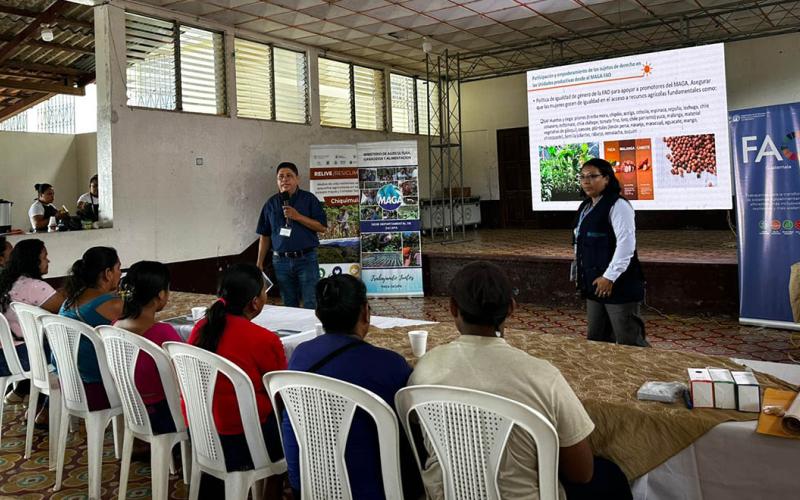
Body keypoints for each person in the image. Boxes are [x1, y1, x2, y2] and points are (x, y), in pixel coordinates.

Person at [409, 261, 631, 500]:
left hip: (444, 495)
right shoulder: (543, 377)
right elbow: (582, 473)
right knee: (611, 475)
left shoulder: (425, 367)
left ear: (452, 308)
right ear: (511, 309)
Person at [282, 274, 422, 499]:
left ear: (318, 314)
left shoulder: (301, 354)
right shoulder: (390, 364)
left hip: (308, 484)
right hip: (376, 489)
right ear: (366, 312)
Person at [187, 263, 286, 499]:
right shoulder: (263, 339)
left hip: (202, 432)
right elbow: (280, 392)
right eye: (264, 292)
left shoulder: (202, 327)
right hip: (243, 440)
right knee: (293, 422)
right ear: (255, 302)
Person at [573, 158, 648, 347]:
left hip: (618, 284)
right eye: (582, 177)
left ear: (606, 179)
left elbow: (626, 244)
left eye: (592, 176)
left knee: (628, 340)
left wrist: (610, 277)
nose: (586, 181)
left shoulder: (618, 205)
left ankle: (641, 374)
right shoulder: (586, 206)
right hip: (594, 283)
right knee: (597, 339)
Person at [114, 261, 182, 434]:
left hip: (130, 409)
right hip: (162, 416)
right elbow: (185, 373)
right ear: (161, 294)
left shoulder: (115, 326)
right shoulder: (162, 332)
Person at [0, 239, 65, 407]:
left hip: (5, 354)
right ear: (33, 261)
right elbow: (66, 309)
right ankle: (47, 411)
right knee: (70, 350)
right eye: (44, 257)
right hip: (21, 357)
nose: (48, 261)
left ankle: (24, 392)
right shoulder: (33, 286)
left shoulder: (6, 282)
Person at [256, 162, 327, 309]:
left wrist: (298, 216)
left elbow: (322, 227)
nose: (284, 179)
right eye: (280, 177)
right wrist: (259, 263)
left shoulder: (309, 199)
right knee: (289, 303)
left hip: (306, 260)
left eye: (289, 176)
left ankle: (311, 331)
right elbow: (265, 235)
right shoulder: (270, 204)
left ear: (297, 179)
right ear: (277, 181)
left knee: (310, 302)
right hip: (280, 262)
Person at [59, 246, 123, 410]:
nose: (120, 274)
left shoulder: (72, 297)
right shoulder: (112, 303)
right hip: (95, 382)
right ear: (108, 273)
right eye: (118, 268)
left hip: (69, 377)